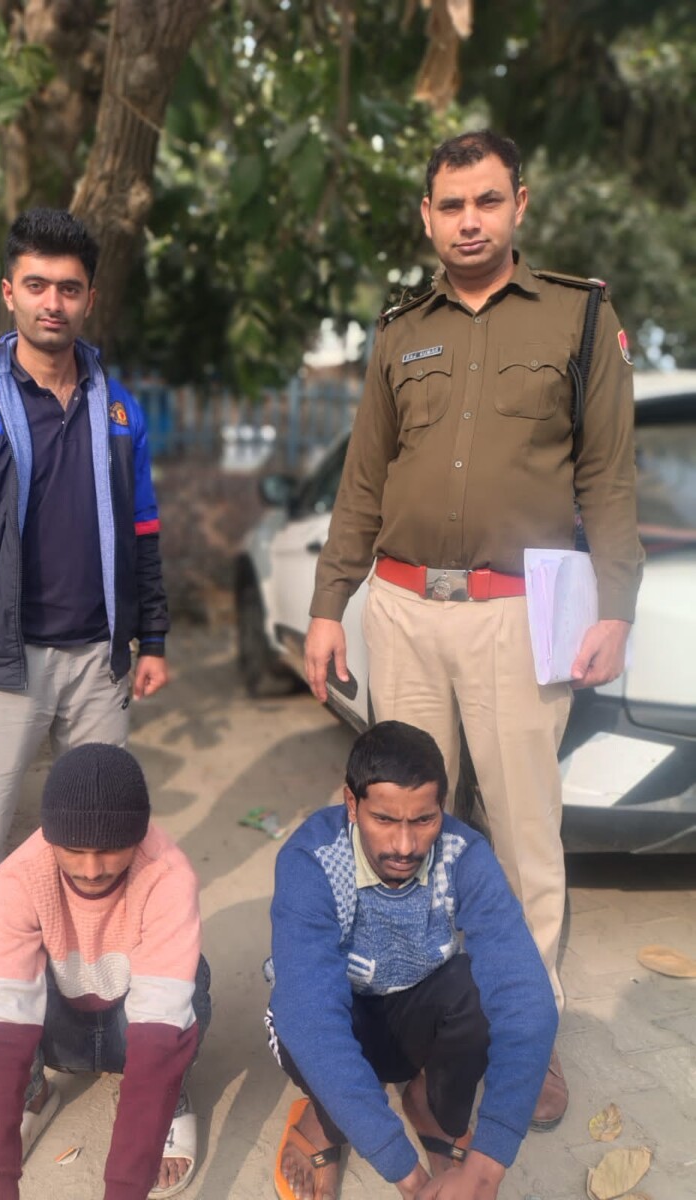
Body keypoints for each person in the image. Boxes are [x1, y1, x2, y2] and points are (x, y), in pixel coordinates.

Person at [303, 130, 643, 1126]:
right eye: (451, 205)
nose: (468, 222)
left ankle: (527, 1035)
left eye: (487, 201)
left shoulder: (580, 317)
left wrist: (616, 605)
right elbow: (364, 480)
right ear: (427, 216)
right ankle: (414, 1027)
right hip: (404, 609)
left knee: (527, 837)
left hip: (518, 614)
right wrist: (328, 605)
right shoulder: (401, 331)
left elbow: (607, 477)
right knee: (401, 832)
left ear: (519, 204)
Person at [0, 208, 170, 1066]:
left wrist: (152, 639)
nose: (52, 302)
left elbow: (143, 530)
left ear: (89, 297)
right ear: (9, 292)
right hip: (0, 665)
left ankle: (86, 991)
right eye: (36, 285)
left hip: (98, 660)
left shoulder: (117, 407)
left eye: (69, 287)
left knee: (103, 834)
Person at [266, 720, 557, 1200]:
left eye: (423, 820)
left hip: (417, 1008)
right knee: (298, 1021)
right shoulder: (311, 860)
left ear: (441, 808)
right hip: (345, 1015)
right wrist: (408, 1175)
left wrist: (486, 1170)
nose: (405, 846)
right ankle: (325, 1122)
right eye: (384, 820)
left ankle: (433, 1110)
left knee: (483, 989)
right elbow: (311, 1020)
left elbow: (526, 1001)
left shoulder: (464, 854)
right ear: (352, 803)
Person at [0, 742, 210, 1200]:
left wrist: (125, 1187)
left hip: (131, 1033)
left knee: (190, 984)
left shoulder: (167, 874)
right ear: (49, 836)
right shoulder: (20, 876)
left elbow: (159, 1034)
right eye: (73, 850)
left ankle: (168, 1104)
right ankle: (33, 1094)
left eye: (110, 850)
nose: (92, 870)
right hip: (62, 1032)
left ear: (139, 835)